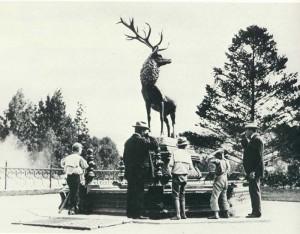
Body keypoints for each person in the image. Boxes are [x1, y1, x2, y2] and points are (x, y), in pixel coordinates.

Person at [123, 121, 158, 219]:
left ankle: (130, 213)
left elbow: (125, 157)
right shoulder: (142, 141)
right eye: (145, 130)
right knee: (139, 192)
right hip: (140, 171)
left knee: (131, 192)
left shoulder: (128, 141)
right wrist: (150, 135)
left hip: (130, 171)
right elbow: (155, 146)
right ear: (142, 131)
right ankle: (138, 214)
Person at [242, 122, 264, 218]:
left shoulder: (257, 140)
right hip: (252, 171)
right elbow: (248, 152)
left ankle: (257, 212)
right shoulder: (253, 140)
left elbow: (259, 157)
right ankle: (254, 211)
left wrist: (253, 171)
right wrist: (244, 140)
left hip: (254, 171)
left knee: (254, 191)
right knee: (253, 190)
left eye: (246, 130)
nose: (245, 132)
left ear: (251, 130)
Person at [169, 137, 193, 220]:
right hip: (185, 176)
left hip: (176, 175)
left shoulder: (175, 153)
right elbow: (191, 167)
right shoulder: (188, 154)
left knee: (176, 195)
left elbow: (170, 165)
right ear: (185, 145)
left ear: (178, 145)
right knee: (183, 195)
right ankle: (184, 214)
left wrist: (169, 173)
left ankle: (178, 215)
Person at [61, 142, 88, 215]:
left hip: (69, 177)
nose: (81, 151)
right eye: (81, 149)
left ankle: (71, 207)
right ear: (79, 150)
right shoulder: (79, 157)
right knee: (75, 193)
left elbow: (62, 163)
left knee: (72, 192)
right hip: (76, 176)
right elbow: (85, 165)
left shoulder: (68, 157)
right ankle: (73, 208)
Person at [208, 149, 231, 219]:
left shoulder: (217, 161)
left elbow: (209, 158)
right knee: (224, 197)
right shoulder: (227, 161)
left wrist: (215, 152)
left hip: (219, 179)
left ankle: (216, 214)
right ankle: (226, 213)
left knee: (214, 197)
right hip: (225, 179)